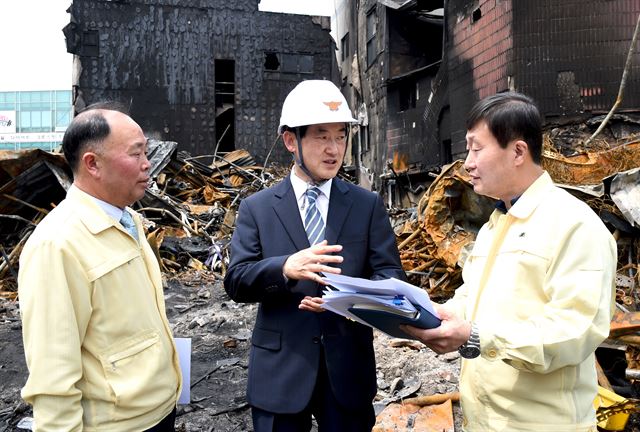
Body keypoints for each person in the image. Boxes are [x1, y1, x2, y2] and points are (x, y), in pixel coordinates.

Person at [402, 92, 617, 431]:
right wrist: (439, 315)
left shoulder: (574, 225)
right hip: (486, 422)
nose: (467, 162)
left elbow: (574, 330)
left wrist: (475, 336)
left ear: (518, 151)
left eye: (476, 148)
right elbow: (475, 296)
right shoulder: (496, 223)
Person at [224, 80, 406, 432]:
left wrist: (347, 299)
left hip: (348, 372)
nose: (333, 149)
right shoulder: (257, 209)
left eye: (340, 136)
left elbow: (391, 276)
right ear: (291, 140)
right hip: (280, 372)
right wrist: (285, 268)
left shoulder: (365, 205)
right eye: (322, 136)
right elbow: (236, 281)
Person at [18, 102, 182, 431]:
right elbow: (52, 374)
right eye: (136, 154)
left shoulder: (128, 220)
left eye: (146, 153)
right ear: (92, 164)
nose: (148, 165)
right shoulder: (57, 244)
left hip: (159, 412)